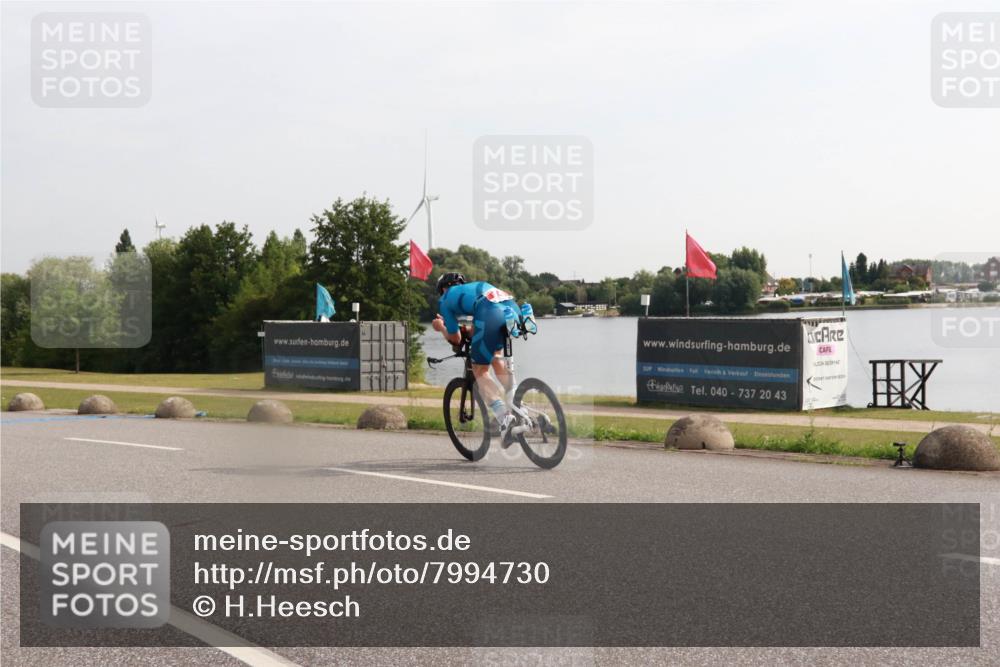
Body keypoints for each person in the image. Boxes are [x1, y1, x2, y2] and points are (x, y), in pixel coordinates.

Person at [431, 272, 535, 442]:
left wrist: (441, 327)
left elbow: (456, 339)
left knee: (480, 370)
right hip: (510, 307)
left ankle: (504, 417)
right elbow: (477, 329)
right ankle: (519, 407)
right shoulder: (472, 289)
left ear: (443, 288)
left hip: (489, 313)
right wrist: (465, 329)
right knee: (495, 357)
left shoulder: (445, 299)